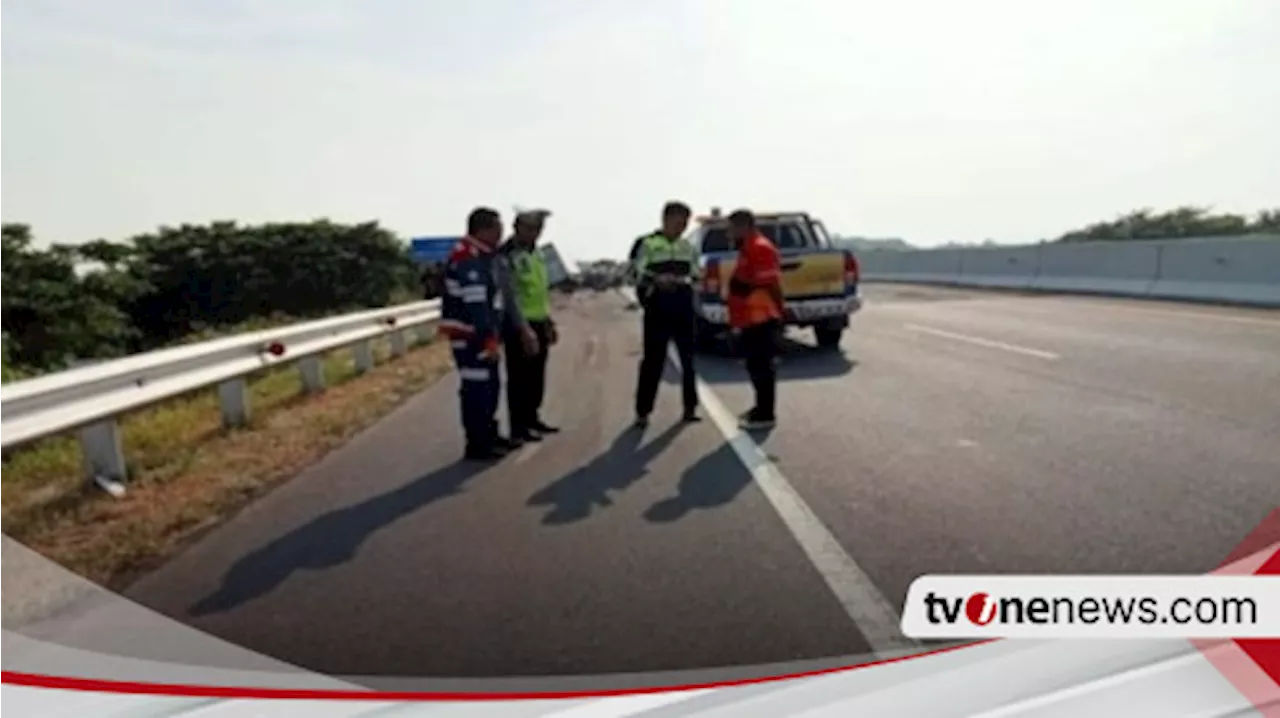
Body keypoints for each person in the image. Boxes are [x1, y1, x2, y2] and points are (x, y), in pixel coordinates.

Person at [441, 207, 516, 461]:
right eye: (497, 228)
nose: (501, 233)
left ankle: (489, 435)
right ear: (482, 230)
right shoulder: (468, 257)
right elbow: (476, 304)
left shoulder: (484, 256)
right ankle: (477, 443)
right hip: (471, 337)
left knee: (490, 386)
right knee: (477, 389)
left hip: (480, 334)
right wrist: (489, 338)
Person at [632, 200, 701, 427]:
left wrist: (687, 281)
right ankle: (643, 411)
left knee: (688, 361)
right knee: (653, 361)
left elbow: (696, 274)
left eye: (685, 223)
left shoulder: (687, 247)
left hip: (683, 307)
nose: (681, 227)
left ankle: (690, 408)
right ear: (665, 219)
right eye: (678, 222)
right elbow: (634, 271)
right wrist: (656, 280)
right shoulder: (647, 243)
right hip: (657, 308)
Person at [500, 208, 561, 442]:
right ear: (517, 227)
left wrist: (548, 320)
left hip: (539, 320)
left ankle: (532, 417)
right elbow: (510, 295)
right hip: (518, 324)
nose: (535, 233)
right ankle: (519, 426)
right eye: (531, 228)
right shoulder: (508, 254)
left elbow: (539, 291)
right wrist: (523, 328)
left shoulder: (537, 254)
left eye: (539, 229)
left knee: (537, 376)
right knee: (519, 378)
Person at [726, 208, 785, 429]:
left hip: (760, 316)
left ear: (744, 227)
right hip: (749, 317)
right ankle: (760, 408)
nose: (728, 234)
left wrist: (780, 312)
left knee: (762, 366)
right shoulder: (748, 249)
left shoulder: (760, 248)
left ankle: (766, 414)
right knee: (754, 365)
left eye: (731, 229)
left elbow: (769, 283)